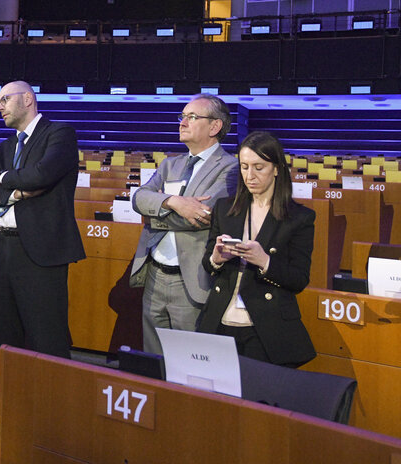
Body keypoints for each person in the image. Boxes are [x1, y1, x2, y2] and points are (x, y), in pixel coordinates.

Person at [0, 80, 85, 462]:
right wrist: (14, 188)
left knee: (47, 346)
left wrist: (6, 181)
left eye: (4, 100)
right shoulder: (4, 147)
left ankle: (53, 439)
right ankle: (3, 433)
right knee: (2, 348)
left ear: (27, 99)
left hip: (42, 256)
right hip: (1, 251)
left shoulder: (60, 135)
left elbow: (41, 176)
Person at [130, 93, 238, 353]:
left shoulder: (231, 167)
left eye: (192, 117)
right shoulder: (170, 165)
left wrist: (154, 212)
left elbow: (202, 218)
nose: (182, 122)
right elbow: (137, 198)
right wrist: (173, 203)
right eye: (182, 116)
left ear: (215, 126)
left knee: (188, 364)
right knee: (153, 359)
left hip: (190, 281)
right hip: (154, 274)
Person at [198, 131, 316, 367]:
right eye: (244, 167)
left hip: (265, 327)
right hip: (221, 321)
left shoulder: (299, 218)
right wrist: (216, 258)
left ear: (276, 169)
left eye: (258, 167)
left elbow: (299, 279)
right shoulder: (224, 208)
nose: (249, 176)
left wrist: (265, 262)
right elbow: (208, 262)